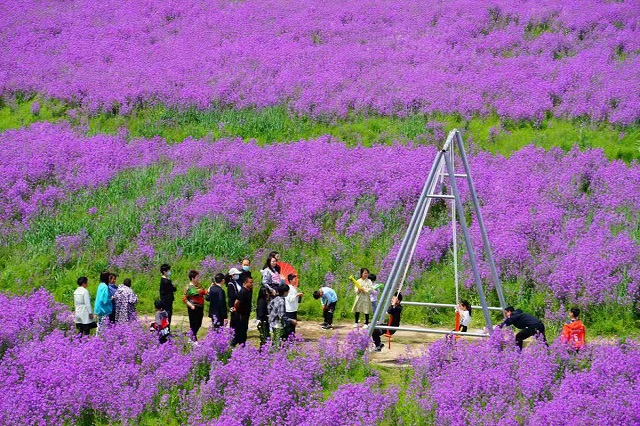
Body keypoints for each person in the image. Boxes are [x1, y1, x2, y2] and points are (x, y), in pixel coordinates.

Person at [182, 270, 207, 342]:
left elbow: (204, 292)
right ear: (192, 278)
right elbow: (184, 299)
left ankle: (192, 336)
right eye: (197, 277)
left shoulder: (199, 285)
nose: (198, 278)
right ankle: (193, 339)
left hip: (200, 307)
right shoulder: (189, 287)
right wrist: (191, 306)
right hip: (193, 308)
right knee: (194, 323)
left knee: (199, 323)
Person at [231, 277, 254, 346]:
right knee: (240, 330)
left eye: (252, 282)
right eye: (250, 282)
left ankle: (242, 343)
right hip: (241, 314)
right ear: (245, 283)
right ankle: (236, 343)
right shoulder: (243, 291)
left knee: (244, 329)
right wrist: (236, 308)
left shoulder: (249, 290)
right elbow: (237, 302)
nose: (252, 284)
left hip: (246, 313)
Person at [284, 273, 303, 339]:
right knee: (289, 324)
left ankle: (292, 336)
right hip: (289, 309)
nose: (296, 280)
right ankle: (288, 338)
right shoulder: (288, 288)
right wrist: (297, 295)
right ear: (290, 280)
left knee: (293, 324)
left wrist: (299, 296)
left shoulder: (294, 288)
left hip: (294, 308)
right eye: (295, 279)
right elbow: (289, 299)